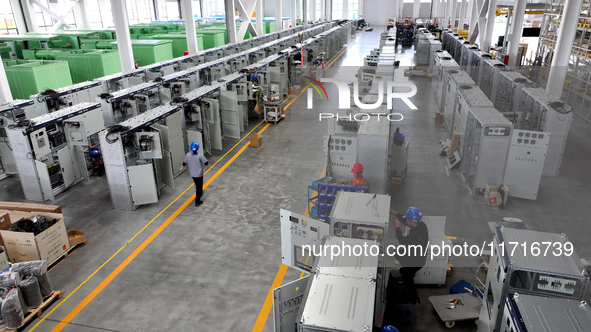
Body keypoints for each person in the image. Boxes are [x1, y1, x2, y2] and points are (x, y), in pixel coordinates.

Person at [390, 207, 429, 304]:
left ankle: (415, 299)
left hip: (415, 261)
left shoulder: (414, 234)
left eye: (407, 218)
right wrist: (395, 213)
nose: (406, 219)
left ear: (411, 220)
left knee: (408, 277)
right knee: (397, 252)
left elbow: (403, 241)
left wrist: (397, 227)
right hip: (418, 256)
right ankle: (406, 270)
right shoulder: (422, 226)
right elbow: (407, 221)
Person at [180, 142, 209, 206]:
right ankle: (197, 201)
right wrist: (207, 167)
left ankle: (199, 195)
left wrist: (181, 167)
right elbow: (206, 162)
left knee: (197, 186)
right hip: (199, 174)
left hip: (192, 174)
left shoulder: (187, 155)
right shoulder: (200, 155)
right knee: (199, 187)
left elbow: (184, 162)